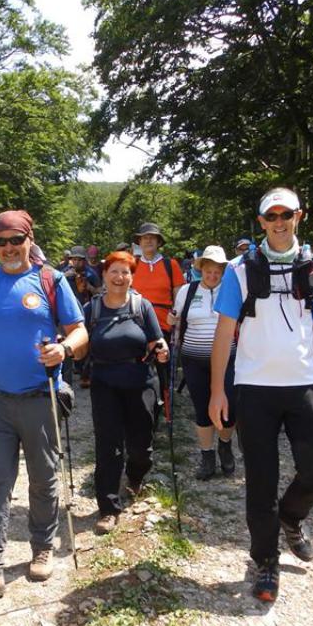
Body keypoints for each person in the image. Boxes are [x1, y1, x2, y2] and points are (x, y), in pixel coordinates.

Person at [209, 187, 313, 603]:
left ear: (298, 216)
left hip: (304, 384)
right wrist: (217, 391)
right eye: (271, 216)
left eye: (286, 214)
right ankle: (265, 561)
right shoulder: (238, 270)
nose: (279, 222)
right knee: (261, 482)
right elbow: (223, 333)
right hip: (254, 388)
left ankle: (291, 516)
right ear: (261, 222)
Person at [0, 210, 88, 602]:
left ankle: (42, 545)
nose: (8, 248)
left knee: (43, 478)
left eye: (16, 240)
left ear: (29, 240)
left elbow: (79, 331)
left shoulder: (51, 280)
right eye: (1, 241)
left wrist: (63, 349)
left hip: (41, 395)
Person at [84, 251, 169, 534]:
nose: (120, 277)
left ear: (132, 277)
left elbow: (156, 341)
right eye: (114, 271)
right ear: (104, 274)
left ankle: (135, 476)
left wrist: (162, 351)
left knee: (141, 446)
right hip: (104, 383)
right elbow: (80, 342)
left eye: (126, 272)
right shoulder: (92, 309)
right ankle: (108, 508)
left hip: (140, 381)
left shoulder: (141, 306)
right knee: (108, 446)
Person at [169, 245, 237, 480]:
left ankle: (225, 445)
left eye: (218, 271)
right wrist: (171, 320)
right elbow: (176, 317)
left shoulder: (232, 291)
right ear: (202, 269)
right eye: (209, 270)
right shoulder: (187, 291)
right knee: (202, 407)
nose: (213, 275)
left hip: (228, 358)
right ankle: (207, 456)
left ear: (223, 272)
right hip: (193, 359)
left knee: (230, 407)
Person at [131, 222, 185, 408]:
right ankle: (140, 403)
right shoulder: (132, 265)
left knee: (163, 368)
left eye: (152, 238)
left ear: (159, 242)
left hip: (163, 324)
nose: (148, 241)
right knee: (138, 367)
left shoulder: (171, 265)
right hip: (136, 324)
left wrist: (176, 318)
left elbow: (179, 295)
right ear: (139, 242)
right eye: (144, 238)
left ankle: (165, 404)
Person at [64, 246, 102, 388]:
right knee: (69, 342)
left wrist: (89, 287)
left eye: (79, 260)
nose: (77, 262)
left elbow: (100, 292)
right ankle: (69, 375)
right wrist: (64, 277)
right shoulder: (64, 274)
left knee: (86, 342)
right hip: (68, 313)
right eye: (74, 259)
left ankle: (85, 373)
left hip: (87, 312)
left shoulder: (91, 273)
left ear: (84, 260)